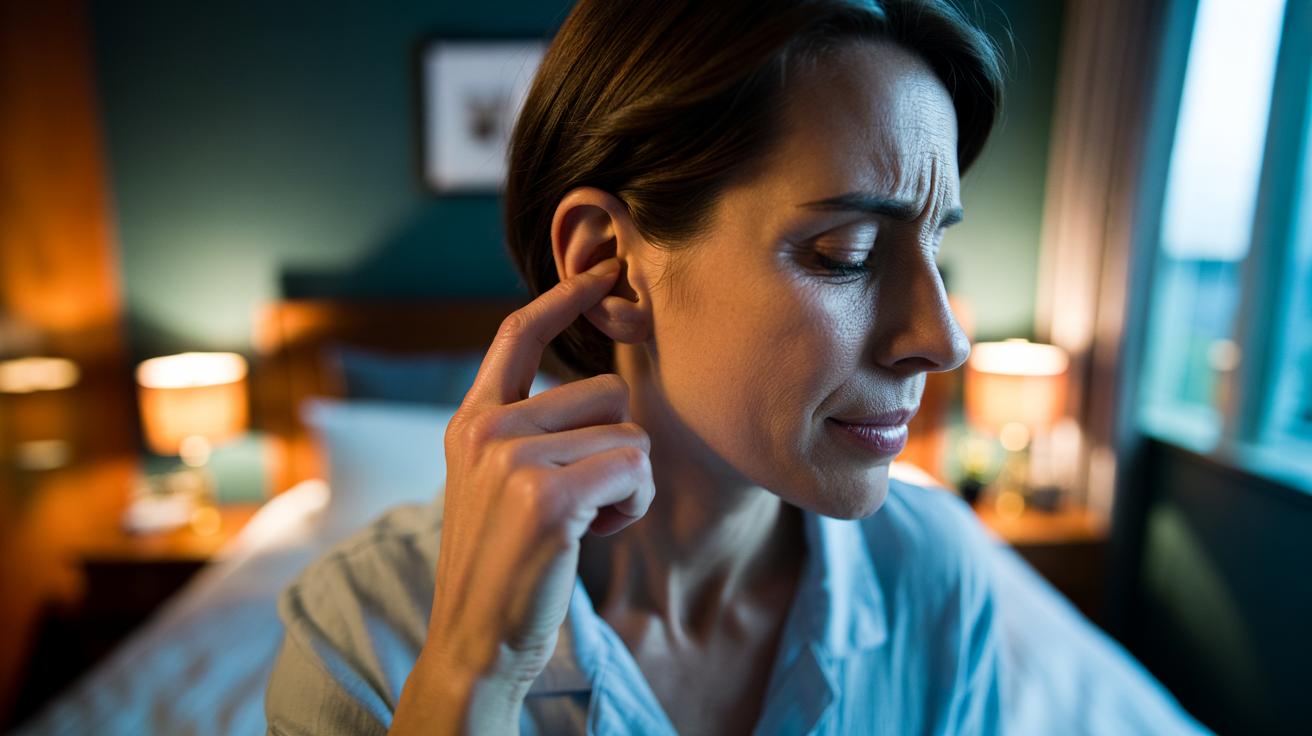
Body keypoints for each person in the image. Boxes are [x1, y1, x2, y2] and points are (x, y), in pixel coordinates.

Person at [264, 0, 1007, 733]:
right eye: (848, 254)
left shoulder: (936, 575)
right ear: (612, 270)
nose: (944, 340)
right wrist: (471, 671)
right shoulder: (360, 639)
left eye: (935, 248)